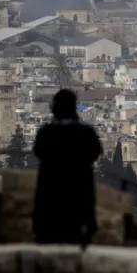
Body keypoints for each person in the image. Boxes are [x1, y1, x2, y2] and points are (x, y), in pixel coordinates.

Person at [32, 89, 103, 248]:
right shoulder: (85, 133)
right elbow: (95, 152)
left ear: (54, 108)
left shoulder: (46, 132)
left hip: (51, 194)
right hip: (78, 193)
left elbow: (39, 152)